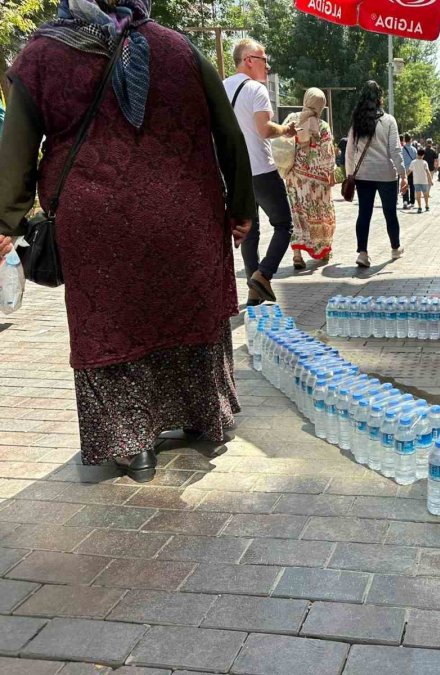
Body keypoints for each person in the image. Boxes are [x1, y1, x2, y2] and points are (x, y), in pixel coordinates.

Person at [0, 0, 254, 482]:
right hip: (187, 214)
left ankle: (134, 446)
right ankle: (204, 416)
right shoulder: (179, 48)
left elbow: (16, 147)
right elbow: (228, 132)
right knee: (187, 313)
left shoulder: (41, 56)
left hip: (97, 221)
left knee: (113, 325)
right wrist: (240, 205)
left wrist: (8, 219)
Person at [224, 38, 296, 305]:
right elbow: (264, 130)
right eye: (265, 60)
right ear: (249, 60)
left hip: (234, 174)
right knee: (284, 225)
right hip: (261, 170)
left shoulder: (221, 88)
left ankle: (253, 290)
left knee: (249, 229)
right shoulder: (256, 89)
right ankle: (263, 274)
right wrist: (286, 130)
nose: (268, 66)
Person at [345, 81, 406, 268]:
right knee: (390, 213)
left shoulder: (358, 120)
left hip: (363, 175)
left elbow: (349, 150)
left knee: (364, 213)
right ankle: (395, 248)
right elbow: (395, 150)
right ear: (380, 98)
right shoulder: (389, 120)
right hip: (386, 175)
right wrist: (403, 174)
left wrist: (349, 174)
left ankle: (362, 253)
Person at [282, 88, 337, 268]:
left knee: (296, 213)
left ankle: (297, 255)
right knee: (320, 215)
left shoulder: (292, 119)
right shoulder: (322, 126)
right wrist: (331, 173)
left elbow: (281, 141)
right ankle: (322, 250)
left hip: (293, 178)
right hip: (317, 182)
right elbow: (328, 154)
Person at [410, 148, 433, 213]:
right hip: (424, 181)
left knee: (418, 195)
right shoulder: (424, 162)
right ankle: (427, 205)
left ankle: (419, 207)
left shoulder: (413, 162)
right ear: (423, 155)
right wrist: (430, 180)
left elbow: (409, 171)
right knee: (425, 194)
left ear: (417, 154)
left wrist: (405, 177)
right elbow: (428, 172)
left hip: (416, 181)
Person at [401, 133, 417, 209]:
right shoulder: (414, 149)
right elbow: (416, 160)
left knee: (405, 185)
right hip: (412, 170)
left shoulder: (402, 149)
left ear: (404, 140)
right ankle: (412, 202)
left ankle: (405, 201)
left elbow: (400, 160)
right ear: (411, 140)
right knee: (412, 186)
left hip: (405, 170)